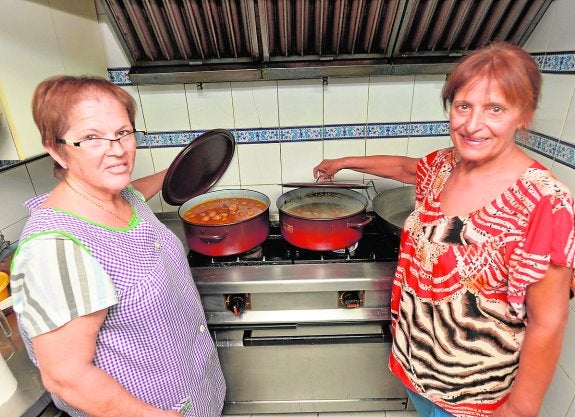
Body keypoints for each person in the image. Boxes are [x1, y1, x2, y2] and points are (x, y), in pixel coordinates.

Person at [314, 42, 575, 417]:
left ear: (524, 115)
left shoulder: (543, 202)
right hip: (416, 367)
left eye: (495, 109)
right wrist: (343, 161)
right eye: (463, 105)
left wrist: (519, 409)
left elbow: (549, 321)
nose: (471, 124)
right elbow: (406, 169)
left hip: (473, 395)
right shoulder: (444, 165)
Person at [10, 76, 225, 417]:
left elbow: (137, 190)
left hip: (197, 390)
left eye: (123, 132)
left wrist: (186, 168)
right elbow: (67, 377)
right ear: (56, 149)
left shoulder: (119, 196)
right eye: (91, 137)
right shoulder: (54, 251)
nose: (117, 149)